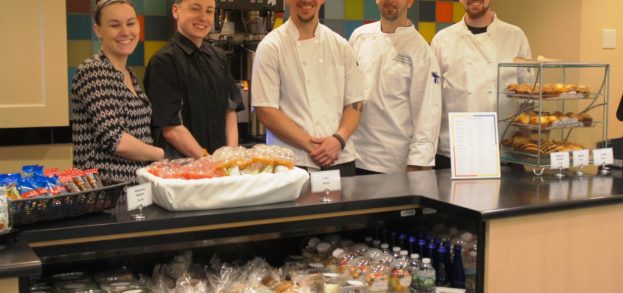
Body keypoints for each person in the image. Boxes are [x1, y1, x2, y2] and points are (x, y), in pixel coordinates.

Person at [251, 0, 364, 176]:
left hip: (340, 159)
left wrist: (338, 140)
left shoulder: (341, 45)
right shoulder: (270, 46)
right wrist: (313, 146)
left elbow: (355, 103)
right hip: (290, 163)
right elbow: (266, 110)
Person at [71, 0, 165, 184]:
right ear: (98, 30)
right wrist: (162, 154)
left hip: (134, 190)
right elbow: (115, 140)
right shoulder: (94, 70)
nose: (125, 32)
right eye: (115, 25)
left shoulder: (127, 73)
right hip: (107, 194)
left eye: (130, 23)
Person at [431, 0, 531, 169]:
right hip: (453, 154)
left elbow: (527, 96)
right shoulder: (442, 39)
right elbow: (431, 100)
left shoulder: (515, 36)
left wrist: (528, 147)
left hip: (504, 152)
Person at [349, 0, 442, 174]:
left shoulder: (421, 50)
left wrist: (416, 163)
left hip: (393, 163)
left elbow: (428, 113)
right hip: (352, 155)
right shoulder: (359, 36)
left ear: (410, 2)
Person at [144, 0, 244, 159]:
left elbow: (230, 110)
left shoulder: (219, 58)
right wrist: (208, 161)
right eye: (195, 9)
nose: (203, 17)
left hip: (219, 168)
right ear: (176, 11)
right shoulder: (164, 61)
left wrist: (229, 157)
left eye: (209, 11)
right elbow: (171, 128)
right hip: (183, 170)